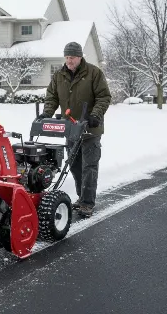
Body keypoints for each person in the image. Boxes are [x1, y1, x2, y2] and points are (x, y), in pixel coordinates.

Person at [38, 41, 111, 217]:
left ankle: (87, 203)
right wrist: (46, 113)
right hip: (70, 129)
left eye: (73, 57)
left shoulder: (94, 73)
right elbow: (52, 97)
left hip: (89, 130)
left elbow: (104, 97)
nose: (69, 61)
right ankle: (81, 197)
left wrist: (95, 115)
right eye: (67, 57)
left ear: (80, 57)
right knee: (75, 166)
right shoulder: (59, 75)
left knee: (89, 167)